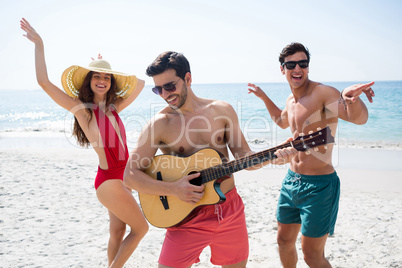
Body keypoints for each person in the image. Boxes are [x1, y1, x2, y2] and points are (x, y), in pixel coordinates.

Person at [123, 51, 297, 268]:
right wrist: (174, 189)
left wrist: (273, 158)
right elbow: (130, 176)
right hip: (185, 216)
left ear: (188, 78)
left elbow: (245, 157)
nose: (165, 94)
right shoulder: (159, 124)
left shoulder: (221, 110)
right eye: (158, 89)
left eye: (169, 86)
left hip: (230, 210)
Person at [20, 18, 148, 268]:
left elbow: (140, 83)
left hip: (126, 177)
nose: (102, 80)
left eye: (107, 78)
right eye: (96, 77)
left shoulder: (114, 107)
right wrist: (39, 44)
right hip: (110, 180)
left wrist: (109, 70)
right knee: (141, 229)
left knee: (118, 232)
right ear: (88, 81)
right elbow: (44, 82)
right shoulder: (83, 111)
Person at [248, 42, 375, 268]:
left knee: (312, 255)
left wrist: (349, 99)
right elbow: (281, 120)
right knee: (283, 240)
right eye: (291, 64)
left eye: (303, 64)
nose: (297, 69)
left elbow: (358, 118)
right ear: (282, 69)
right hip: (291, 181)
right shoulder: (291, 100)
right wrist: (264, 97)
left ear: (308, 67)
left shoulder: (323, 93)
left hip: (319, 186)